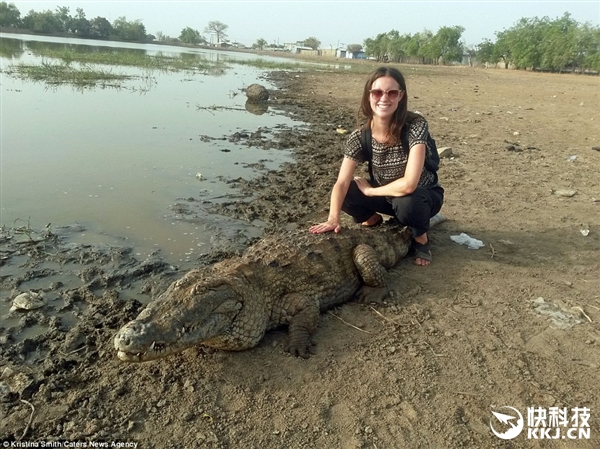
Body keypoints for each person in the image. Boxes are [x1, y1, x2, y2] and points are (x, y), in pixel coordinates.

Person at [309, 66, 444, 266]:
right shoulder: (359, 136)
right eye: (377, 92)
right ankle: (372, 219)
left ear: (401, 96)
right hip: (387, 198)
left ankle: (421, 239)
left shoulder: (416, 125)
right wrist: (332, 218)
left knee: (407, 202)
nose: (384, 98)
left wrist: (371, 192)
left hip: (420, 197)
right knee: (347, 191)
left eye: (392, 92)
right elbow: (341, 182)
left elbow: (409, 185)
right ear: (369, 95)